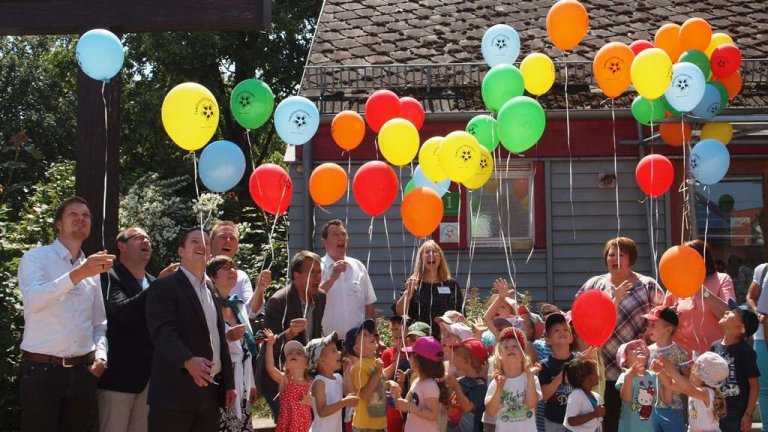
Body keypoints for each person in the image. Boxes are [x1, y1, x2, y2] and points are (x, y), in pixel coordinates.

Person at [18, 196, 114, 431]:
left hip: (83, 373)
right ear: (58, 224)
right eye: (73, 214)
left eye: (86, 216)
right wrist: (78, 273)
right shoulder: (35, 258)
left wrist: (101, 358)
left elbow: (99, 323)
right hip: (41, 373)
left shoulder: (90, 270)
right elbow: (33, 301)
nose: (81, 219)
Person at [145, 229, 236, 431]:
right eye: (195, 241)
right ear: (181, 251)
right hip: (174, 393)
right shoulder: (164, 287)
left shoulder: (212, 289)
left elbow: (219, 337)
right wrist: (187, 360)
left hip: (210, 394)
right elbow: (163, 332)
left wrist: (228, 382)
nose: (201, 246)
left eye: (206, 242)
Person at [577, 237, 663, 432]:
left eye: (621, 255)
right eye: (611, 254)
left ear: (631, 259)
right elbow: (578, 316)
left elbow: (661, 317)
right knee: (608, 421)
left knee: (638, 420)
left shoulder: (647, 284)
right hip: (601, 368)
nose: (615, 258)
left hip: (637, 370)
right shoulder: (594, 284)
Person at [97, 226, 155, 432]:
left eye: (148, 238)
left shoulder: (153, 281)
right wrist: (156, 289)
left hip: (149, 381)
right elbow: (121, 311)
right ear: (122, 246)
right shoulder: (109, 277)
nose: (146, 241)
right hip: (118, 379)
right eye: (139, 237)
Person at [256, 250, 326, 418]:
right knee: (290, 421)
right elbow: (268, 344)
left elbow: (315, 334)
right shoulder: (278, 301)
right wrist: (288, 333)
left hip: (303, 373)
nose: (317, 277)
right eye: (311, 273)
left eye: (319, 273)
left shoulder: (321, 297)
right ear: (296, 276)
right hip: (276, 376)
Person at [207, 255, 257, 432]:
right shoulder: (208, 305)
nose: (232, 271)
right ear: (212, 276)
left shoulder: (237, 305)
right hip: (221, 380)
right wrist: (227, 338)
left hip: (242, 379)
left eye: (233, 267)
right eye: (225, 268)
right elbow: (204, 341)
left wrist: (251, 383)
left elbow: (246, 347)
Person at [665, 239, 735, 356]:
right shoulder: (675, 283)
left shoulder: (722, 279)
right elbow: (661, 321)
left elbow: (730, 314)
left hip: (715, 357)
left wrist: (701, 290)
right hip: (682, 358)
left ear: (703, 259)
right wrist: (670, 316)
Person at [319, 220, 377, 337]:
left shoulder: (358, 266)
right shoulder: (317, 267)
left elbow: (369, 305)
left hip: (356, 343)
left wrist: (374, 335)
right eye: (335, 235)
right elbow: (311, 299)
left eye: (343, 234)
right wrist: (332, 277)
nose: (341, 238)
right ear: (324, 242)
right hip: (327, 343)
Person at [395, 240, 464, 339]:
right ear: (421, 259)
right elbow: (400, 313)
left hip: (447, 340)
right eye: (426, 252)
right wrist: (408, 294)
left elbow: (460, 314)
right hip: (420, 339)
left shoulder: (451, 284)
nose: (431, 254)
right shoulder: (413, 283)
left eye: (434, 251)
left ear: (440, 257)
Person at [711, 299, 760, 432]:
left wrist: (748, 415)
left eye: (734, 312)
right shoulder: (714, 347)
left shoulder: (746, 352)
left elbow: (754, 385)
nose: (727, 311)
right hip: (715, 412)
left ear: (741, 327)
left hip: (736, 416)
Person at [653, 352, 729, 432]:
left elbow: (688, 389)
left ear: (702, 375)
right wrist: (660, 371)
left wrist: (672, 370)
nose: (692, 368)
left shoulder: (707, 393)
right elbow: (670, 384)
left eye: (695, 366)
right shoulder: (695, 389)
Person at [484, 327, 541, 432]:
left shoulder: (531, 378)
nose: (510, 349)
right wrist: (499, 388)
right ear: (500, 355)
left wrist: (530, 376)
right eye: (506, 347)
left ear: (522, 354)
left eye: (515, 346)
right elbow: (491, 412)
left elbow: (531, 404)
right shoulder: (496, 382)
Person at [210, 221, 272, 317]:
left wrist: (259, 289)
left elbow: (251, 312)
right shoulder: (198, 270)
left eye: (232, 238)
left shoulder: (241, 277)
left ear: (237, 246)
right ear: (211, 241)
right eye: (222, 237)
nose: (228, 241)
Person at [642, 306, 688, 432]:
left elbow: (686, 380)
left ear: (668, 329)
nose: (649, 328)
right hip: (649, 408)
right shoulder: (646, 351)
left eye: (654, 325)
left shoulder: (679, 353)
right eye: (648, 324)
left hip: (672, 409)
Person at [391, 336, 450, 432]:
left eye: (411, 355)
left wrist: (409, 406)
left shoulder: (430, 385)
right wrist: (397, 396)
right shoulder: (417, 381)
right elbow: (404, 408)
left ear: (419, 361)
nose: (409, 358)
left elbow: (432, 415)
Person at [307, 332, 360, 432]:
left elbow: (352, 397)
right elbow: (322, 412)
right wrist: (344, 402)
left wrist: (347, 372)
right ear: (322, 361)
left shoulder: (338, 377)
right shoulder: (319, 382)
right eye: (334, 351)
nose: (339, 353)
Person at [263, 329, 313, 432]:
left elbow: (320, 402)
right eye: (290, 353)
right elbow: (270, 368)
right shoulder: (284, 380)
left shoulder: (310, 383)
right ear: (286, 364)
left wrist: (313, 402)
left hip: (304, 428)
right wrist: (270, 345)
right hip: (286, 428)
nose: (293, 354)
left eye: (299, 353)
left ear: (306, 365)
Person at [346, 318, 388, 432]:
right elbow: (363, 395)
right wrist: (377, 373)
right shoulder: (360, 366)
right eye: (365, 335)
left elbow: (379, 383)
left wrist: (389, 384)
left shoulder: (374, 362)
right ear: (357, 348)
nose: (371, 336)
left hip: (380, 423)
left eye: (370, 333)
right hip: (365, 426)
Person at [538, 313, 575, 432]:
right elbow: (544, 395)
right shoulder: (545, 365)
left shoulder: (579, 361)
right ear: (548, 340)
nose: (562, 332)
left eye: (565, 329)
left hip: (578, 420)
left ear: (571, 338)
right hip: (554, 422)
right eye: (556, 330)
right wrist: (562, 375)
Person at [446, 338, 489, 432]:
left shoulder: (480, 386)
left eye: (457, 355)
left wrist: (456, 387)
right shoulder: (460, 380)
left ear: (468, 360)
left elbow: (467, 407)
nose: (454, 358)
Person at [615, 340, 656, 432]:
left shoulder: (653, 376)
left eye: (642, 348)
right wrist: (628, 378)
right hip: (630, 428)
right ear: (624, 361)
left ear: (646, 361)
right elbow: (626, 398)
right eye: (632, 349)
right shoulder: (625, 375)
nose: (639, 348)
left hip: (649, 428)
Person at [747, 260, 768, 432]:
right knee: (765, 389)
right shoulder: (763, 269)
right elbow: (750, 297)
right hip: (762, 337)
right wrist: (757, 312)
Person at [562, 357, 604, 432]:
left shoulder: (596, 396)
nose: (598, 375)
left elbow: (599, 422)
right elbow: (571, 421)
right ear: (589, 378)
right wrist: (594, 414)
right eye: (595, 372)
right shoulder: (576, 395)